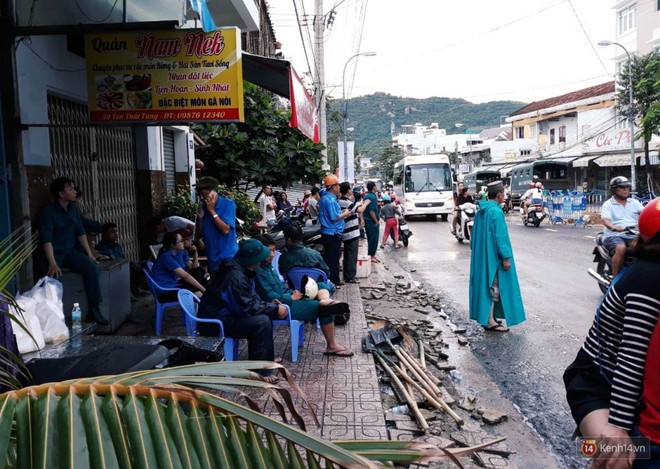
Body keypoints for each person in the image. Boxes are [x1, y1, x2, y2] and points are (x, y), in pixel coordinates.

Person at [563, 197, 660, 468]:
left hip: (628, 390)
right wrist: (617, 425)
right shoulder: (649, 279)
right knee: (621, 456)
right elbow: (632, 355)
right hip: (596, 384)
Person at [197, 239, 288, 383]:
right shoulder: (236, 276)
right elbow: (246, 308)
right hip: (214, 322)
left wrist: (269, 305)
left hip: (225, 315)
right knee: (262, 322)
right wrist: (275, 308)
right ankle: (260, 371)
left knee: (264, 315)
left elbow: (248, 299)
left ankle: (265, 359)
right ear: (254, 260)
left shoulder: (241, 269)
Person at [254, 235, 353, 357]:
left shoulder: (269, 266)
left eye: (274, 250)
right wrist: (290, 297)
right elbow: (269, 296)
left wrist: (293, 293)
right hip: (281, 306)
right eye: (269, 251)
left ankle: (325, 300)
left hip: (288, 298)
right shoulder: (258, 270)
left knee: (320, 284)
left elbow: (281, 286)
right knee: (324, 309)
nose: (272, 254)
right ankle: (332, 345)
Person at [38, 177, 107, 324]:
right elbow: (46, 240)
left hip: (70, 252)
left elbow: (80, 232)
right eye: (71, 189)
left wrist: (89, 254)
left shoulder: (73, 209)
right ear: (61, 194)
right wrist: (52, 263)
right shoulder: (48, 213)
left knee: (91, 268)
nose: (75, 192)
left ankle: (94, 310)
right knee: (52, 278)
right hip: (54, 253)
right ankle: (54, 318)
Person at [469, 180, 525, 332]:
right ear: (499, 195)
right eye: (504, 194)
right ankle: (490, 321)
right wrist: (505, 257)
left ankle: (490, 316)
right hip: (493, 257)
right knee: (494, 287)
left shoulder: (481, 211)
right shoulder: (496, 212)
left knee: (486, 285)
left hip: (483, 256)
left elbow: (473, 237)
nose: (505, 197)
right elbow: (500, 237)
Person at [601, 176, 644, 278]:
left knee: (651, 247)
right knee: (620, 248)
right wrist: (614, 227)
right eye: (622, 187)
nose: (625, 189)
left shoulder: (634, 202)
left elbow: (645, 213)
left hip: (633, 234)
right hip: (614, 235)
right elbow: (605, 220)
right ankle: (615, 281)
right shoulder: (608, 204)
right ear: (614, 190)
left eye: (627, 187)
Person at [195, 176, 238, 278]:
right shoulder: (203, 207)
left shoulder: (228, 204)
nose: (201, 198)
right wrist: (200, 218)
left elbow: (225, 230)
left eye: (203, 194)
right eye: (199, 194)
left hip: (227, 258)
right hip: (212, 258)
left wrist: (212, 211)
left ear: (213, 192)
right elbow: (198, 235)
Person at [95, 222, 147, 297]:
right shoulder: (101, 248)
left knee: (145, 264)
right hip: (114, 270)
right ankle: (130, 293)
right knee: (132, 267)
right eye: (112, 232)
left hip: (124, 265)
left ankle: (139, 288)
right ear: (105, 234)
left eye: (116, 231)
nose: (116, 234)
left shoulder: (117, 246)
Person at [151, 231, 206, 300]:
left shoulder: (177, 253)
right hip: (165, 291)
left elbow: (193, 269)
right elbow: (185, 276)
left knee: (200, 271)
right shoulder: (167, 257)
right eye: (180, 241)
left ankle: (201, 294)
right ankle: (202, 295)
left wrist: (195, 252)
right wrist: (204, 289)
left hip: (173, 284)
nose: (182, 243)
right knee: (200, 291)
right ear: (172, 245)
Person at [279, 223, 334, 291]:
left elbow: (282, 274)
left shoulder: (283, 257)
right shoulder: (315, 254)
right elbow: (326, 272)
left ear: (289, 240)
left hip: (294, 291)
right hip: (316, 290)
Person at [318, 175, 351, 286]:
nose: (339, 188)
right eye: (337, 185)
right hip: (332, 233)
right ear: (333, 187)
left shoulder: (325, 197)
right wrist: (345, 214)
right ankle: (334, 282)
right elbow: (334, 217)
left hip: (328, 232)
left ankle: (332, 280)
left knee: (331, 258)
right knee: (333, 259)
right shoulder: (330, 200)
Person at [338, 182, 368, 283]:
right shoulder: (346, 202)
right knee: (351, 255)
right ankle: (350, 277)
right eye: (350, 188)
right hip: (350, 232)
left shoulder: (344, 201)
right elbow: (360, 210)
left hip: (349, 231)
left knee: (348, 254)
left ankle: (348, 275)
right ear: (348, 190)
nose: (352, 190)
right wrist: (367, 202)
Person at [363, 180, 381, 263]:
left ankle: (372, 255)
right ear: (373, 187)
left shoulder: (366, 196)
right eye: (376, 186)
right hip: (372, 221)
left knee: (371, 239)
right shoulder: (372, 197)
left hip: (367, 221)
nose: (377, 187)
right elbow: (372, 211)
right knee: (374, 239)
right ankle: (372, 255)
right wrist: (376, 221)